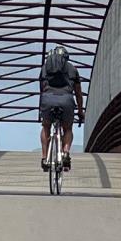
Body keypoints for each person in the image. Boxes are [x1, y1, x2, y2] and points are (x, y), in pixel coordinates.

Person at [38, 44, 83, 172]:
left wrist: (42, 106)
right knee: (68, 128)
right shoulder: (73, 69)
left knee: (46, 126)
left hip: (48, 99)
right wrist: (80, 111)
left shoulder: (45, 68)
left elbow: (41, 90)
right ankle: (66, 152)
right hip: (67, 101)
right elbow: (78, 94)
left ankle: (44, 158)